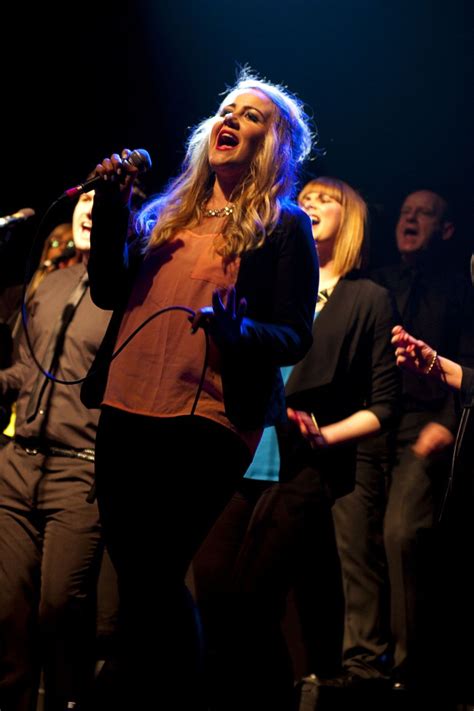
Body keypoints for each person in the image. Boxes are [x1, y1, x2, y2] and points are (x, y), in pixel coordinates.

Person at [82, 70, 319, 710]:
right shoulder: (164, 215)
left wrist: (237, 330)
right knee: (140, 579)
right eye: (225, 109)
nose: (232, 119)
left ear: (273, 143)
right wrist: (111, 205)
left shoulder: (284, 226)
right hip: (125, 408)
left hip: (209, 416)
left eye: (252, 115)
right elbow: (108, 289)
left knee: (157, 574)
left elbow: (295, 335)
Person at [192, 176, 399, 710]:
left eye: (324, 200)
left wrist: (323, 432)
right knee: (212, 594)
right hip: (238, 445)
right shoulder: (269, 287)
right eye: (303, 197)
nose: (308, 204)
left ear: (349, 220)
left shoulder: (366, 298)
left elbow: (384, 405)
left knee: (259, 604)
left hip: (303, 465)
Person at [324, 188, 474, 693]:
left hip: (424, 422)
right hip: (370, 421)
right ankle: (362, 663)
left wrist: (449, 422)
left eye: (424, 213)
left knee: (401, 533)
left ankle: (410, 670)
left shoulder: (459, 289)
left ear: (446, 229)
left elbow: (466, 364)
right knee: (354, 538)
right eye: (405, 211)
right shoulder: (373, 282)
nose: (410, 219)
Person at [0, 189, 112, 711]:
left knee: (59, 608)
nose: (89, 207)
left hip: (81, 471)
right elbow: (26, 368)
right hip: (17, 467)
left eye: (105, 200)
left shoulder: (129, 293)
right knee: (7, 613)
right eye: (84, 198)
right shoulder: (50, 286)